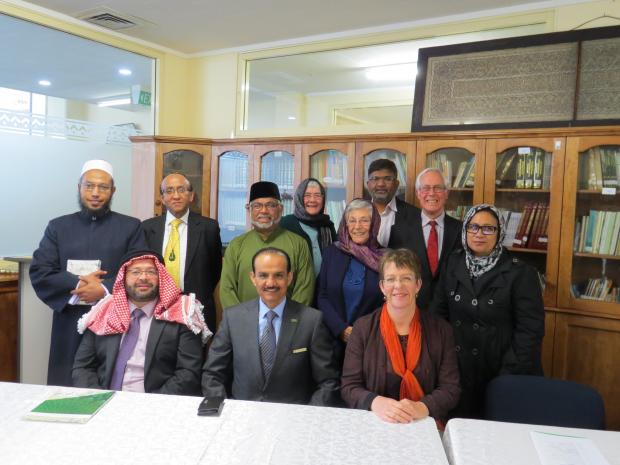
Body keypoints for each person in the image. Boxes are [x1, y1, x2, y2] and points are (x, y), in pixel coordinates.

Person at [30, 159, 146, 387]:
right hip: (69, 320)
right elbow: (41, 271)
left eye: (103, 187)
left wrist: (102, 290)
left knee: (111, 383)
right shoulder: (57, 227)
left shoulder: (131, 227)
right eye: (89, 186)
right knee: (66, 386)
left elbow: (139, 271)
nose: (95, 193)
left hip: (114, 320)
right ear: (79, 187)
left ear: (113, 191)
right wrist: (81, 290)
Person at [430, 204, 545, 418]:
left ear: (499, 232)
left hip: (502, 371)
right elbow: (438, 314)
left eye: (488, 229)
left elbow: (530, 331)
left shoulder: (521, 272)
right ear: (465, 231)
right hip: (458, 369)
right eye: (473, 227)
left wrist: (507, 375)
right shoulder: (452, 263)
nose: (479, 234)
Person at [202, 247, 340, 405]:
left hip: (292, 419)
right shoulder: (233, 318)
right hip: (243, 416)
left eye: (279, 275)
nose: (271, 283)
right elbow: (212, 374)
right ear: (253, 278)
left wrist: (307, 417)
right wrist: (227, 412)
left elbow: (328, 382)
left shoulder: (311, 321)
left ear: (289, 277)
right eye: (263, 275)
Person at [341, 248, 460, 426]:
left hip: (422, 422)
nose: (398, 285)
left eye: (406, 278)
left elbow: (451, 389)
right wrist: (376, 402)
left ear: (418, 285)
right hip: (375, 421)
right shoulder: (363, 328)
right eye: (391, 279)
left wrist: (421, 407)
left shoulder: (442, 330)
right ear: (382, 286)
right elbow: (349, 386)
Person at [73, 250, 208, 395]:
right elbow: (83, 367)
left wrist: (150, 406)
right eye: (135, 272)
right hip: (104, 400)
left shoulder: (182, 312)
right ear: (123, 278)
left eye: (151, 272)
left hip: (156, 405)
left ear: (161, 277)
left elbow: (188, 373)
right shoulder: (105, 310)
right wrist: (97, 398)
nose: (143, 277)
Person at [142, 173, 222, 330]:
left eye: (181, 190)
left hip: (195, 309)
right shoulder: (147, 228)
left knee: (194, 354)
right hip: (157, 307)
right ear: (163, 197)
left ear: (191, 195)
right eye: (169, 191)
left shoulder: (208, 228)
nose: (176, 196)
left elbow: (215, 270)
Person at [219, 181, 315, 309]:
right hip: (244, 324)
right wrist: (241, 322)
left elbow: (304, 289)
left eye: (270, 205)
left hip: (287, 325)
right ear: (249, 210)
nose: (264, 211)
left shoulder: (298, 244)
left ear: (280, 209)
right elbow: (227, 289)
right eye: (257, 206)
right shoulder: (236, 245)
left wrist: (289, 322)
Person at [316, 199, 384, 366]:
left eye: (364, 220)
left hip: (370, 342)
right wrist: (341, 329)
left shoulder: (385, 258)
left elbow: (387, 303)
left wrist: (360, 332)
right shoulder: (332, 252)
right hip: (331, 340)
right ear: (345, 224)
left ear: (374, 223)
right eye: (352, 220)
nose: (357, 226)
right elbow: (321, 295)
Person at [389, 167, 462, 310]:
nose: (432, 193)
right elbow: (393, 273)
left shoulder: (461, 230)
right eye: (426, 188)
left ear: (446, 193)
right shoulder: (399, 229)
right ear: (418, 193)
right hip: (410, 309)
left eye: (438, 188)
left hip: (450, 311)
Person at [279, 177, 337, 276]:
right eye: (307, 195)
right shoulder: (285, 224)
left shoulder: (328, 226)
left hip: (322, 289)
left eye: (317, 195)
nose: (312, 200)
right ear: (299, 197)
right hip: (294, 289)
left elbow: (335, 261)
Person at [366, 158, 420, 248]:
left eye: (387, 179)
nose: (381, 184)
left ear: (396, 184)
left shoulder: (415, 216)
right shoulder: (355, 212)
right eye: (375, 179)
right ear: (368, 184)